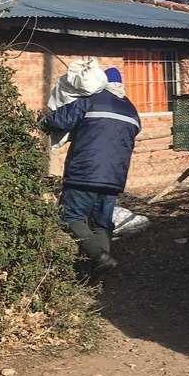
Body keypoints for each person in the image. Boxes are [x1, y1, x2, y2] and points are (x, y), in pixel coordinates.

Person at [42, 66, 140, 283]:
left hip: (85, 173)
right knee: (101, 224)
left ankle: (99, 257)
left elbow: (57, 121)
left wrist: (43, 117)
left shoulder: (91, 100)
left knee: (70, 218)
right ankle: (97, 281)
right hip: (115, 178)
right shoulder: (132, 110)